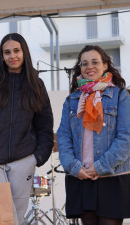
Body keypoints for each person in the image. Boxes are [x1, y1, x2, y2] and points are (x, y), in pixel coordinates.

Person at [0, 33, 54, 224]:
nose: (12, 56)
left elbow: (45, 125)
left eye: (16, 51)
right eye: (7, 52)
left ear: (24, 52)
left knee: (16, 218)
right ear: (2, 56)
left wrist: (36, 158)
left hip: (24, 160)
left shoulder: (36, 85)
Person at [57, 45, 130, 225]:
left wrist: (100, 166)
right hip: (82, 177)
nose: (89, 66)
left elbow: (126, 137)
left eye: (95, 62)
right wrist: (74, 168)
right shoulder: (72, 100)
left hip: (112, 177)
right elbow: (63, 137)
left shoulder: (121, 96)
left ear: (105, 65)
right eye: (84, 63)